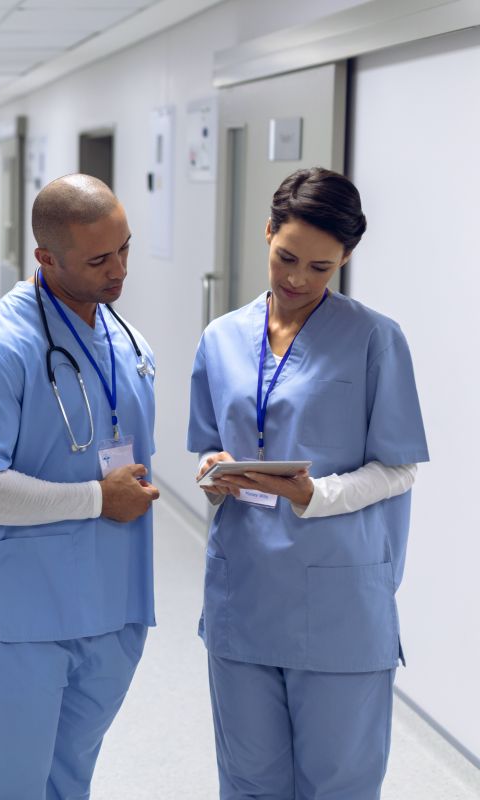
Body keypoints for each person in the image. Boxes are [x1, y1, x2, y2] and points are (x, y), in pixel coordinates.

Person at [188, 167, 429, 798]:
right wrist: (215, 473)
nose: (296, 279)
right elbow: (213, 445)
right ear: (267, 233)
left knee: (339, 784)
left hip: (339, 603)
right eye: (285, 257)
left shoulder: (376, 339)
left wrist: (317, 496)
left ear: (345, 259)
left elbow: (398, 467)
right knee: (248, 781)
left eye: (320, 268)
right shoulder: (221, 339)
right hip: (245, 595)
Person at [0, 174, 161, 799]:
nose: (119, 271)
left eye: (125, 249)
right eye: (98, 259)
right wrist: (95, 499)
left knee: (69, 780)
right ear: (45, 257)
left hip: (112, 606)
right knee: (10, 784)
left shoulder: (127, 341)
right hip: (23, 615)